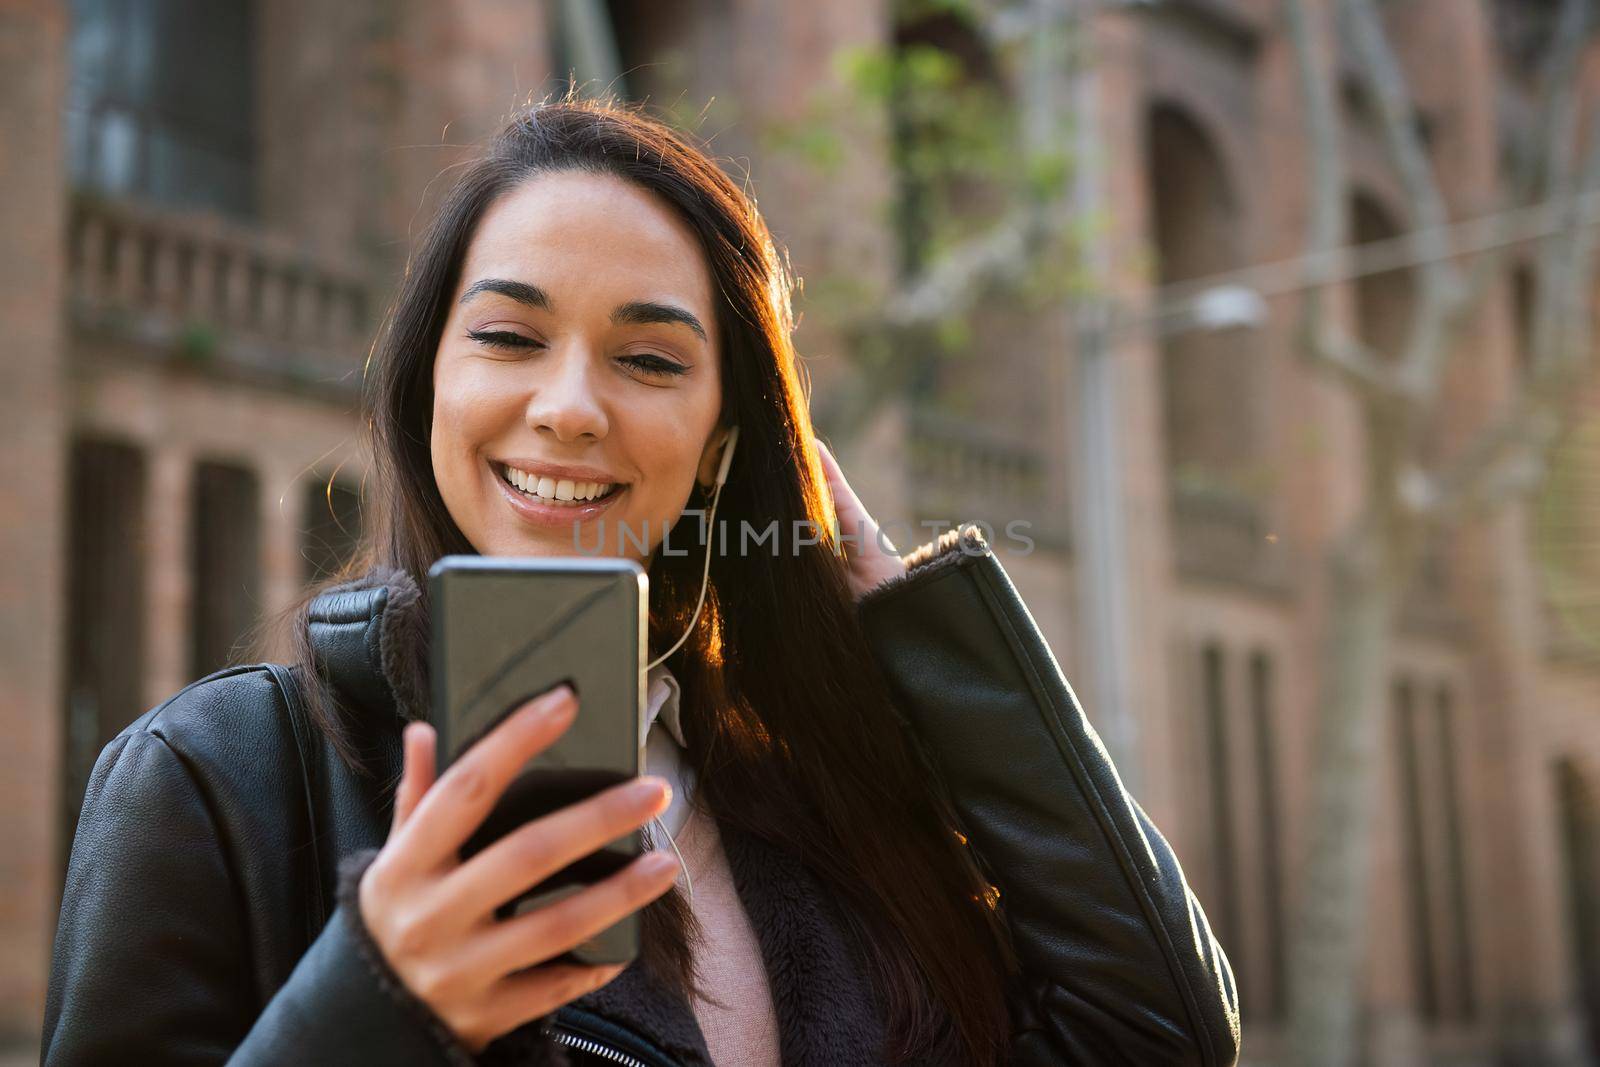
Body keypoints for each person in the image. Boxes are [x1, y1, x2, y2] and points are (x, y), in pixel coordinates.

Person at [41, 95, 1240, 1066]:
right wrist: (368, 1008)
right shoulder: (220, 777)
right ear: (429, 393)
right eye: (508, 337)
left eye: (650, 357)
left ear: (724, 442)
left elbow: (1151, 1032)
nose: (567, 408)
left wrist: (920, 629)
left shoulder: (819, 798)